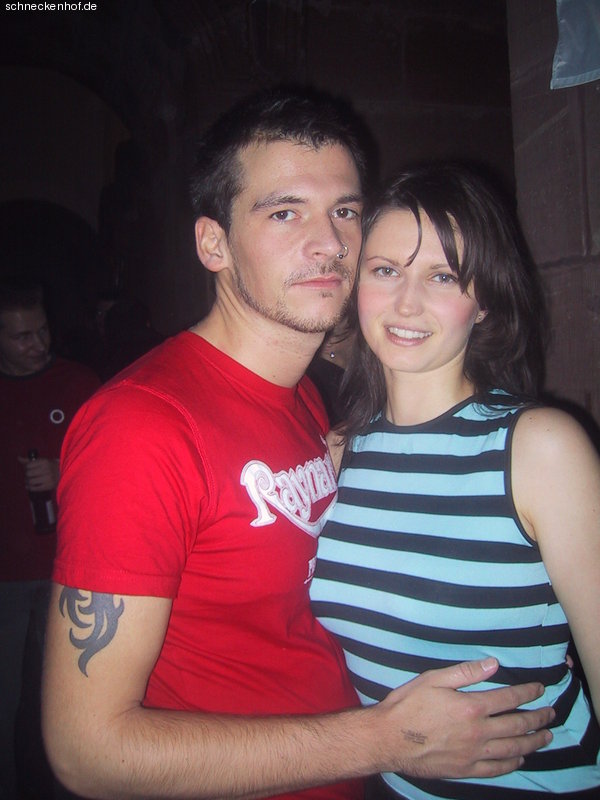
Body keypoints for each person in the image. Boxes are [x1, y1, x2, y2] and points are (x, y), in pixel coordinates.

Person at [42, 90, 555, 800]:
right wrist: (384, 739)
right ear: (213, 244)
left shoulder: (306, 399)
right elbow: (86, 752)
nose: (331, 244)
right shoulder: (142, 427)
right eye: (285, 212)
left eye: (345, 212)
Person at [310, 163, 600, 798]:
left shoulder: (538, 448)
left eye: (442, 276)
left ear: (484, 299)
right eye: (386, 270)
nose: (406, 303)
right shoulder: (340, 453)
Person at [0, 277, 100, 800]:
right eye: (22, 337)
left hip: (71, 571)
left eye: (41, 331)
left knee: (66, 703)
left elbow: (114, 469)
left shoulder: (77, 383)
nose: (38, 344)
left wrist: (65, 471)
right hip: (6, 577)